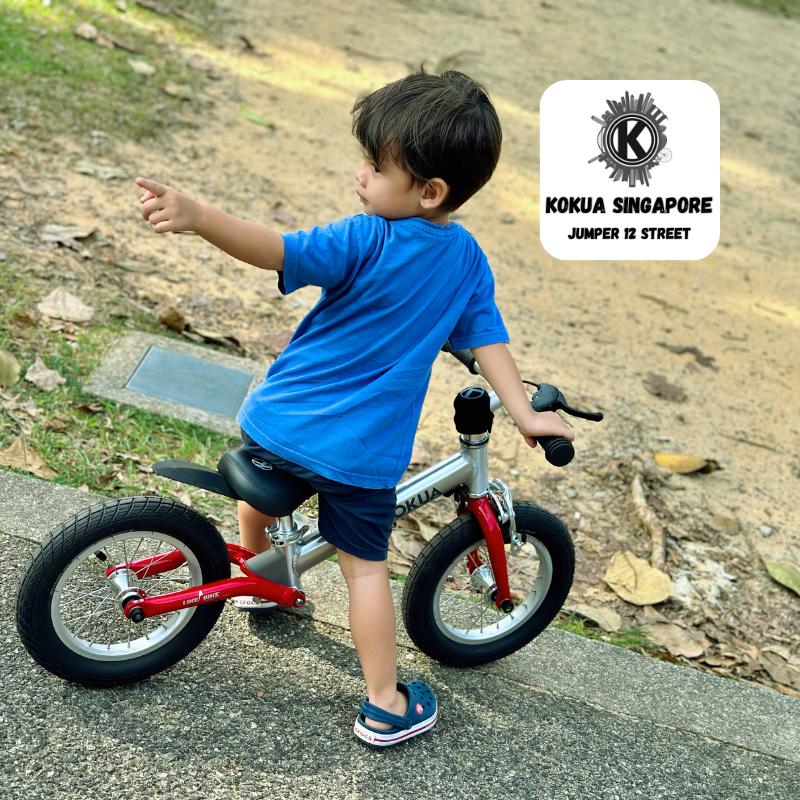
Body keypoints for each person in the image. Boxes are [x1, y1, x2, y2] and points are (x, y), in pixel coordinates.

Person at [135, 69, 574, 748]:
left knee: (266, 471)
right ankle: (383, 702)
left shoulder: (363, 238)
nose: (359, 176)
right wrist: (524, 412)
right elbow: (487, 337)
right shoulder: (463, 261)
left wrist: (201, 219)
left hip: (275, 418)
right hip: (358, 456)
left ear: (429, 191)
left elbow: (279, 251)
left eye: (374, 166)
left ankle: (256, 574)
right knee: (364, 568)